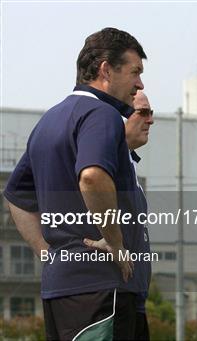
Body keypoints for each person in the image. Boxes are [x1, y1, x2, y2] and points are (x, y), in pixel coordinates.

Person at [3, 27, 148, 340]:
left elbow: (16, 197)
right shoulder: (102, 114)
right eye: (135, 72)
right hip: (101, 290)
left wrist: (47, 254)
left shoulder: (49, 121)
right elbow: (92, 176)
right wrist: (114, 241)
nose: (140, 84)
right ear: (106, 69)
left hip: (63, 290)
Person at [84, 90, 154, 340]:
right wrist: (47, 252)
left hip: (132, 296)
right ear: (117, 117)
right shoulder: (100, 165)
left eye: (151, 113)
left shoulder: (128, 163)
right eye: (143, 112)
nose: (150, 120)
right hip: (110, 296)